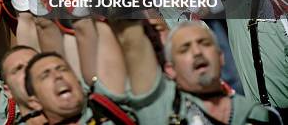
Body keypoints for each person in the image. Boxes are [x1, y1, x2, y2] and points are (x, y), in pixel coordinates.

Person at [110, 20, 273, 124]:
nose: (197, 52)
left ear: (221, 57)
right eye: (184, 49)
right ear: (170, 69)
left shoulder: (257, 113)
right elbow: (131, 39)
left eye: (204, 43)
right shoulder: (159, 108)